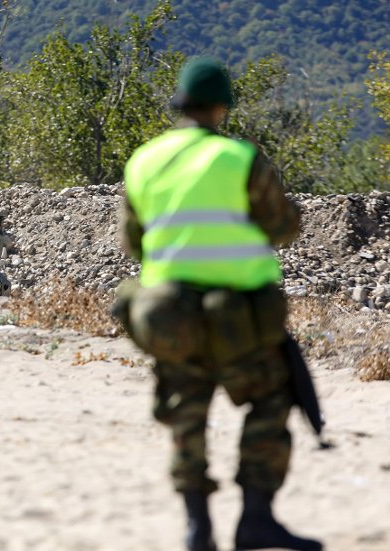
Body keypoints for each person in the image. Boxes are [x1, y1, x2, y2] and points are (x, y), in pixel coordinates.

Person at [117, 57, 322, 551]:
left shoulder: (144, 160)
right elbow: (284, 227)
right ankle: (255, 520)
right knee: (271, 400)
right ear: (221, 108)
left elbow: (133, 241)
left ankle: (197, 527)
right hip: (241, 318)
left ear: (181, 104)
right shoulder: (240, 159)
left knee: (186, 417)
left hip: (169, 314)